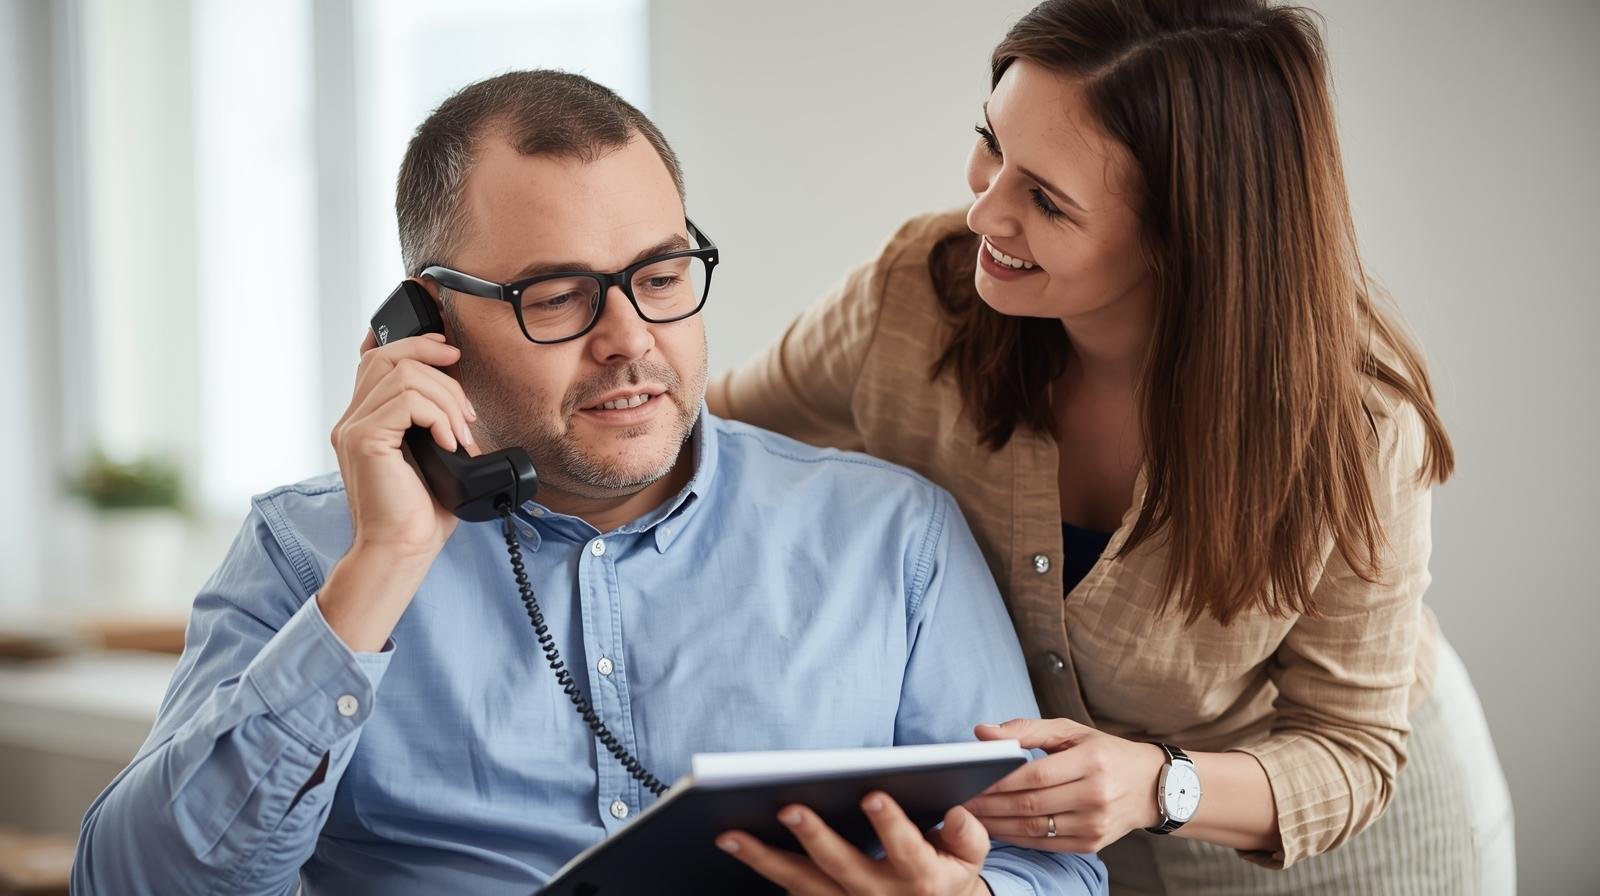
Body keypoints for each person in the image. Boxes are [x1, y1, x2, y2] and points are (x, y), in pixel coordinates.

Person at [70, 71, 1107, 896]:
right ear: (426, 325)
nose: (630, 342)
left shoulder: (893, 538)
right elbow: (135, 881)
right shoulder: (310, 550)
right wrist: (381, 570)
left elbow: (1055, 865)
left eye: (660, 278)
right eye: (557, 296)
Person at [707, 1, 1515, 892]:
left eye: (1045, 200)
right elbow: (715, 440)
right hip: (1044, 860)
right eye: (991, 143)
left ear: (1187, 236)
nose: (984, 212)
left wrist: (1158, 785)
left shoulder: (1354, 426)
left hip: (1325, 847)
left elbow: (1352, 748)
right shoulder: (916, 296)